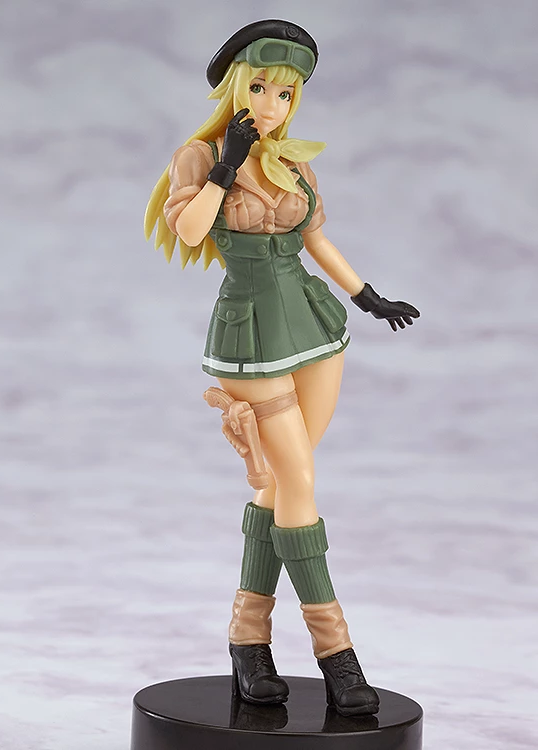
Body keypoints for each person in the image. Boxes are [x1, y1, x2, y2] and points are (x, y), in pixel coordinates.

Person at [144, 19, 419, 717]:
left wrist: (366, 295)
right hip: (250, 333)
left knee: (281, 485)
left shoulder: (294, 164)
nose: (271, 104)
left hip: (313, 321)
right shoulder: (199, 156)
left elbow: (318, 240)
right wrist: (226, 166)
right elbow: (190, 229)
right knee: (297, 480)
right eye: (261, 87)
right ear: (237, 86)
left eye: (286, 94)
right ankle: (338, 655)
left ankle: (247, 640)